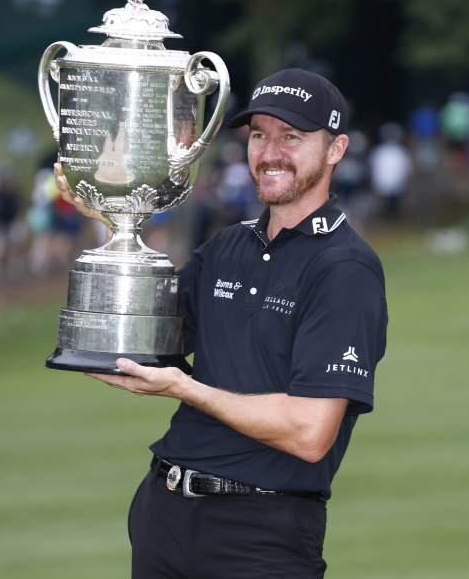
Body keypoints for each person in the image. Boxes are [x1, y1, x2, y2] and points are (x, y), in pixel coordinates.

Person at [54, 68, 388, 578]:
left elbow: (309, 431)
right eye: (259, 135)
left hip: (258, 532)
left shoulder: (344, 270)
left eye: (292, 137)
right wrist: (112, 216)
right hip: (163, 513)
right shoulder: (228, 247)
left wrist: (186, 389)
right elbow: (147, 334)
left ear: (336, 149)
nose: (270, 152)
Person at [369, 121, 413, 221]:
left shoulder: (381, 150)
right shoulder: (398, 151)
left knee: (393, 206)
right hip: (386, 183)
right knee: (385, 206)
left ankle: (392, 221)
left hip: (392, 183)